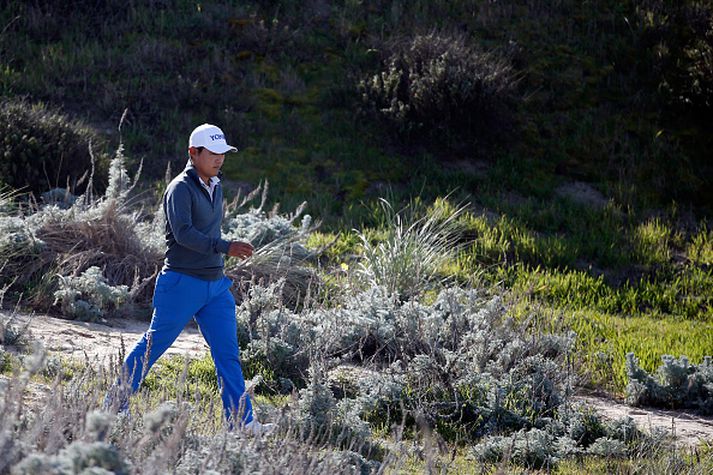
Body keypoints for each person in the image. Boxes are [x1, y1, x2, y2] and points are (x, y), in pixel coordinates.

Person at [107, 123, 271, 434]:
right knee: (151, 348)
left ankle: (241, 423)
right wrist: (225, 247)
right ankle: (113, 409)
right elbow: (183, 234)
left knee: (228, 355)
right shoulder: (179, 188)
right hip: (181, 283)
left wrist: (220, 252)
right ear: (193, 153)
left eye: (223, 153)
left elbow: (206, 233)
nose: (219, 159)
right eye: (213, 154)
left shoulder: (216, 184)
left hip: (215, 286)